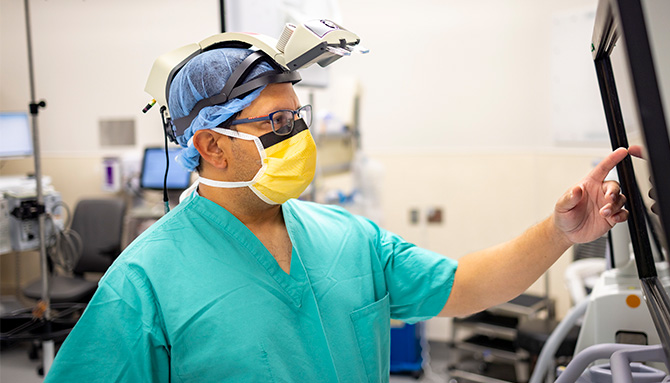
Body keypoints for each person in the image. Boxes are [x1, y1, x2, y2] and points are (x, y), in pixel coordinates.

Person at [45, 46, 629, 382]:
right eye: (275, 124)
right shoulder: (144, 281)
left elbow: (465, 285)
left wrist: (560, 233)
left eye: (297, 117)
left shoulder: (346, 236)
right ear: (211, 147)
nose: (296, 134)